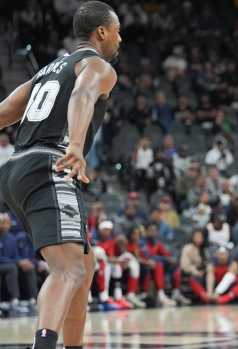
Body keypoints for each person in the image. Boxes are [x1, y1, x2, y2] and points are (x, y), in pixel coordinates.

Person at [0, 2, 120, 347]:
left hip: (17, 170)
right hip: (49, 166)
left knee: (85, 265)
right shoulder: (98, 66)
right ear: (101, 32)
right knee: (69, 268)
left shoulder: (47, 70)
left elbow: (7, 111)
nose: (120, 38)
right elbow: (83, 94)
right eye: (117, 31)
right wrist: (77, 146)